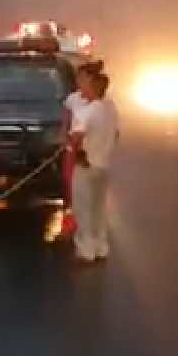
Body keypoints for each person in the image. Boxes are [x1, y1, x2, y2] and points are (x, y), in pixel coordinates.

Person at [70, 72, 120, 263]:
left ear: (93, 87)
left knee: (83, 209)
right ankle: (101, 247)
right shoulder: (111, 108)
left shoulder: (90, 110)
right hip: (103, 164)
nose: (81, 88)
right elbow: (116, 134)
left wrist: (71, 146)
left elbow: (77, 135)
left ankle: (86, 251)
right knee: (98, 208)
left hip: (86, 165)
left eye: (84, 84)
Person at [59, 60, 105, 238]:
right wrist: (64, 139)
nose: (79, 80)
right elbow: (66, 120)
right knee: (70, 185)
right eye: (78, 77)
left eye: (82, 77)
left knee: (91, 191)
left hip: (92, 149)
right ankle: (70, 222)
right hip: (74, 149)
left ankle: (91, 231)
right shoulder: (73, 99)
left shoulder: (99, 101)